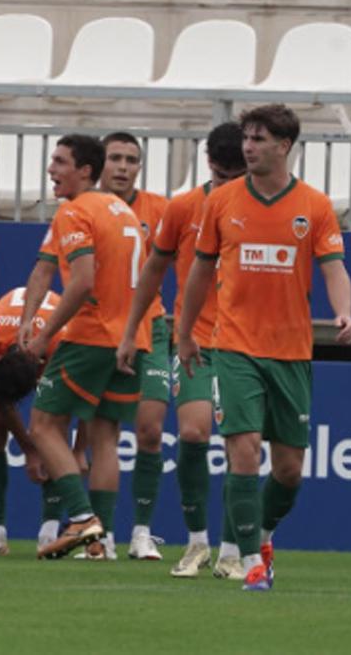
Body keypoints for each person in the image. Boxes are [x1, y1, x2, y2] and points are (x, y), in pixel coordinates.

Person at [174, 104, 351, 591]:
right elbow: (199, 270)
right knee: (244, 452)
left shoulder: (314, 206)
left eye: (259, 139)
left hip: (292, 351)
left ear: (284, 146)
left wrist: (344, 311)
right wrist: (185, 331)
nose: (249, 146)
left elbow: (334, 266)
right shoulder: (222, 201)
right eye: (246, 138)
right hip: (233, 347)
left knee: (290, 470)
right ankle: (249, 561)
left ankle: (265, 536)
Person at [116, 122, 249, 578]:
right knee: (193, 434)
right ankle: (197, 544)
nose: (233, 184)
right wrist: (132, 328)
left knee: (240, 446)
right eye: (225, 174)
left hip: (247, 346)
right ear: (210, 163)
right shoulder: (185, 208)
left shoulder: (259, 207)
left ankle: (233, 551)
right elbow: (153, 270)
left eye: (240, 175)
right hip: (196, 340)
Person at [18, 134, 148, 559]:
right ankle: (103, 542)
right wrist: (26, 318)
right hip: (132, 337)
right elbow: (42, 268)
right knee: (106, 436)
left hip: (92, 335)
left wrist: (41, 335)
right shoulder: (121, 210)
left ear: (85, 171)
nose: (51, 169)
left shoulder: (76, 212)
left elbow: (82, 281)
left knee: (43, 426)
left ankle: (80, 516)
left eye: (60, 162)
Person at [69, 131, 172, 561]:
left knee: (149, 430)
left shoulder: (161, 210)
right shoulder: (83, 208)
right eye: (115, 158)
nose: (123, 167)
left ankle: (143, 532)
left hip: (150, 328)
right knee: (99, 433)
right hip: (100, 331)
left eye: (131, 159)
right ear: (100, 165)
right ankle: (102, 534)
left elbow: (187, 266)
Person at [0, 287, 64, 556]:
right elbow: (1, 401)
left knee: (51, 432)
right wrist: (28, 449)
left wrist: (38, 447)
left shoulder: (60, 342)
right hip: (5, 338)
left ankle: (49, 534)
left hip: (53, 345)